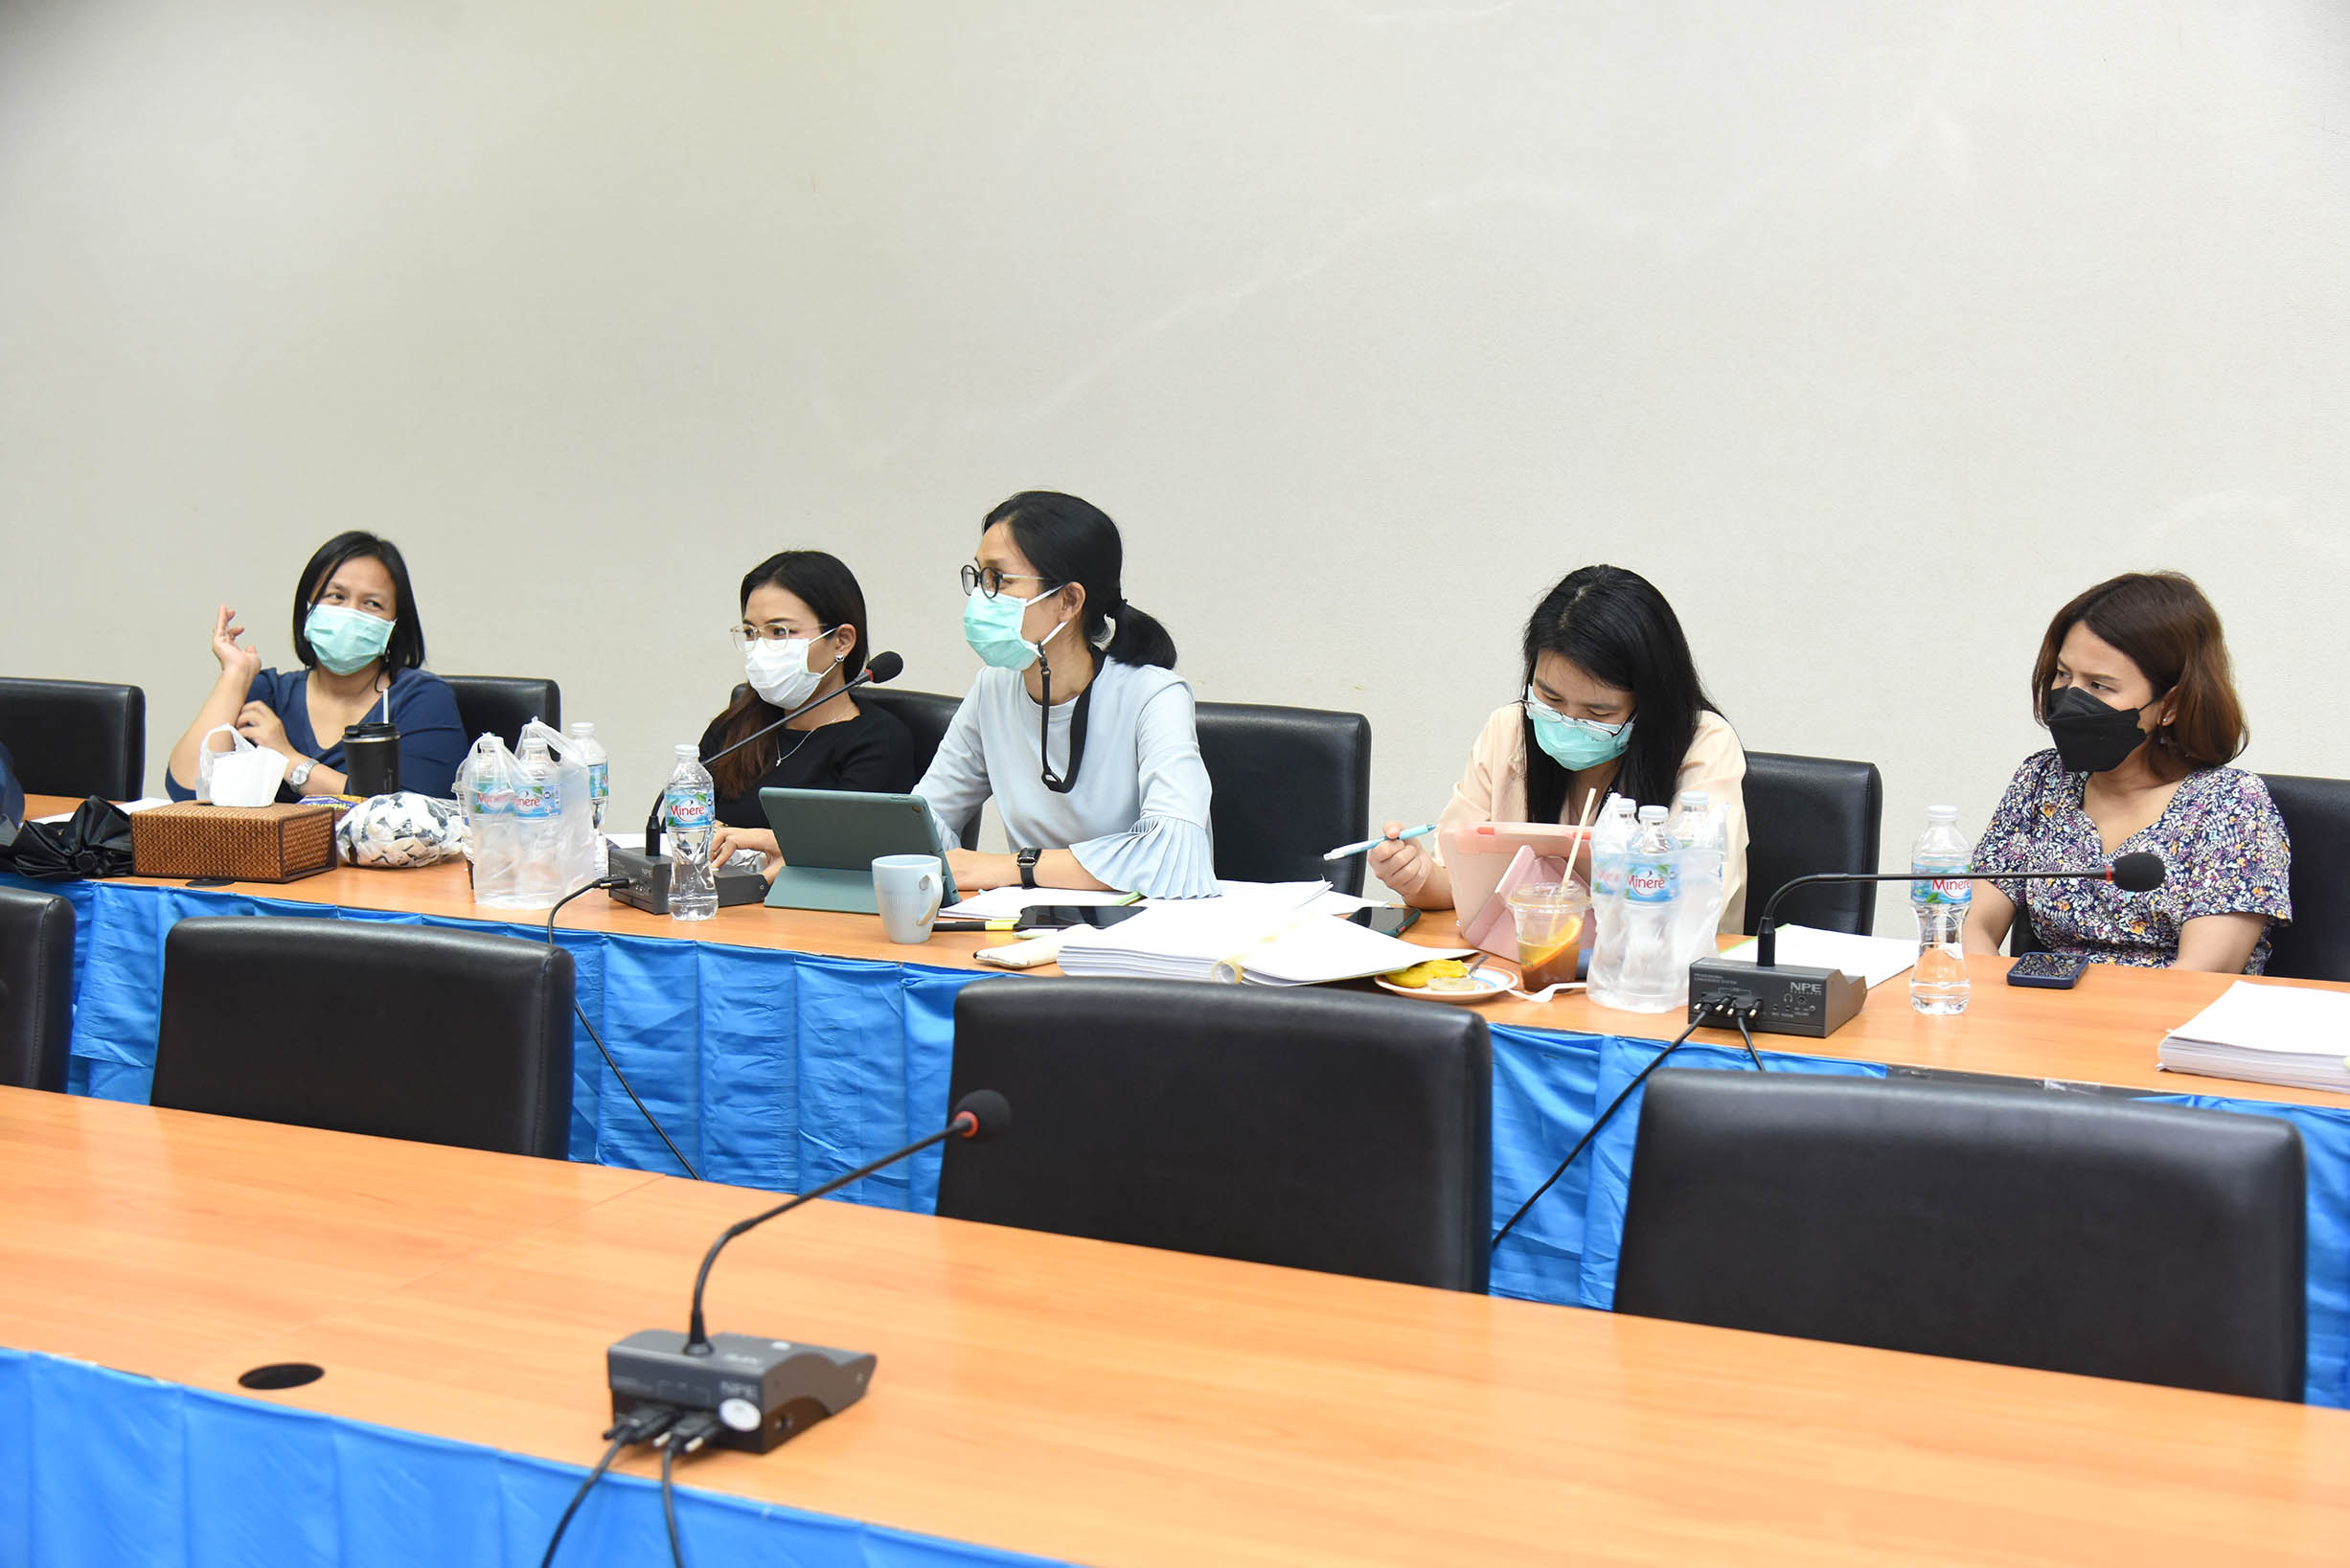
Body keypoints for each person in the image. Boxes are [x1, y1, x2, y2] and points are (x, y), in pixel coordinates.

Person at [1371, 563, 1749, 927]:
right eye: (1550, 699)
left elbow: (1698, 907)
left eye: (1598, 712)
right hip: (1516, 961)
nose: (1568, 722)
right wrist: (1418, 877)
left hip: (1649, 966)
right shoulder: (1509, 730)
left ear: (1649, 704)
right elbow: (1455, 884)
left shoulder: (1702, 744)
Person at [1965, 571, 2289, 973]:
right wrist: (1991, 994)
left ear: (2170, 705)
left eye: (2099, 685)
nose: (2070, 698)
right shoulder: (2042, 780)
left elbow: (2201, 976)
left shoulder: (2230, 805)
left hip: (2170, 1011)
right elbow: (1973, 925)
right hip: (2045, 1004)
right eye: (2064, 674)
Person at [913, 491, 1216, 898]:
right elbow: (923, 825)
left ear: (1068, 601)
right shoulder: (992, 688)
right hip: (1026, 920)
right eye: (980, 577)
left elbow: (1173, 853)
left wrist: (1013, 866)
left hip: (1137, 924)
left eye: (999, 579)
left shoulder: (1155, 695)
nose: (981, 596)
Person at [164, 533, 465, 802]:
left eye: (372, 604)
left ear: (394, 625)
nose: (350, 613)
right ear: (307, 609)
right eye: (336, 596)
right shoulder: (269, 695)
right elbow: (188, 790)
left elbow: (415, 809)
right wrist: (235, 675)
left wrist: (290, 761)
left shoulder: (420, 699)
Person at [705, 551, 919, 867]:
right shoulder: (737, 726)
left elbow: (848, 853)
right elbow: (681, 818)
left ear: (841, 641)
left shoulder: (879, 742)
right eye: (751, 633)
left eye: (780, 632)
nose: (761, 648)